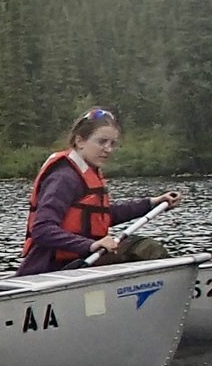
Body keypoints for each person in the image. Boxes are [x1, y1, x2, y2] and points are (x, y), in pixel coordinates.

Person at [15, 107, 183, 276]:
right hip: (55, 268)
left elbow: (104, 215)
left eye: (112, 144)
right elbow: (42, 229)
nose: (108, 149)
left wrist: (152, 203)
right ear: (80, 141)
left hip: (83, 261)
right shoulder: (64, 178)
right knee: (146, 249)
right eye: (102, 142)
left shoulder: (88, 172)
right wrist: (90, 245)